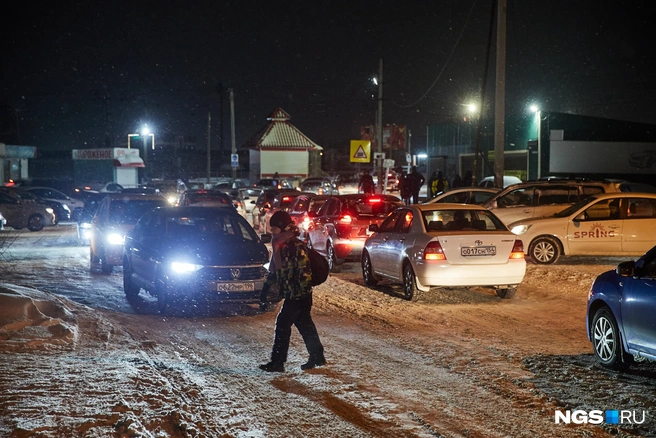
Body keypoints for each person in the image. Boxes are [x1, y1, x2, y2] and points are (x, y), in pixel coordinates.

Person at [259, 211, 326, 373]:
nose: (272, 233)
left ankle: (278, 362)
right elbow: (275, 272)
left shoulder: (295, 246)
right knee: (304, 324)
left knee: (283, 324)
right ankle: (317, 356)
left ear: (283, 228)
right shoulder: (281, 245)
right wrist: (266, 289)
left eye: (274, 229)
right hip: (297, 294)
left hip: (299, 295)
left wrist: (295, 295)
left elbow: (295, 274)